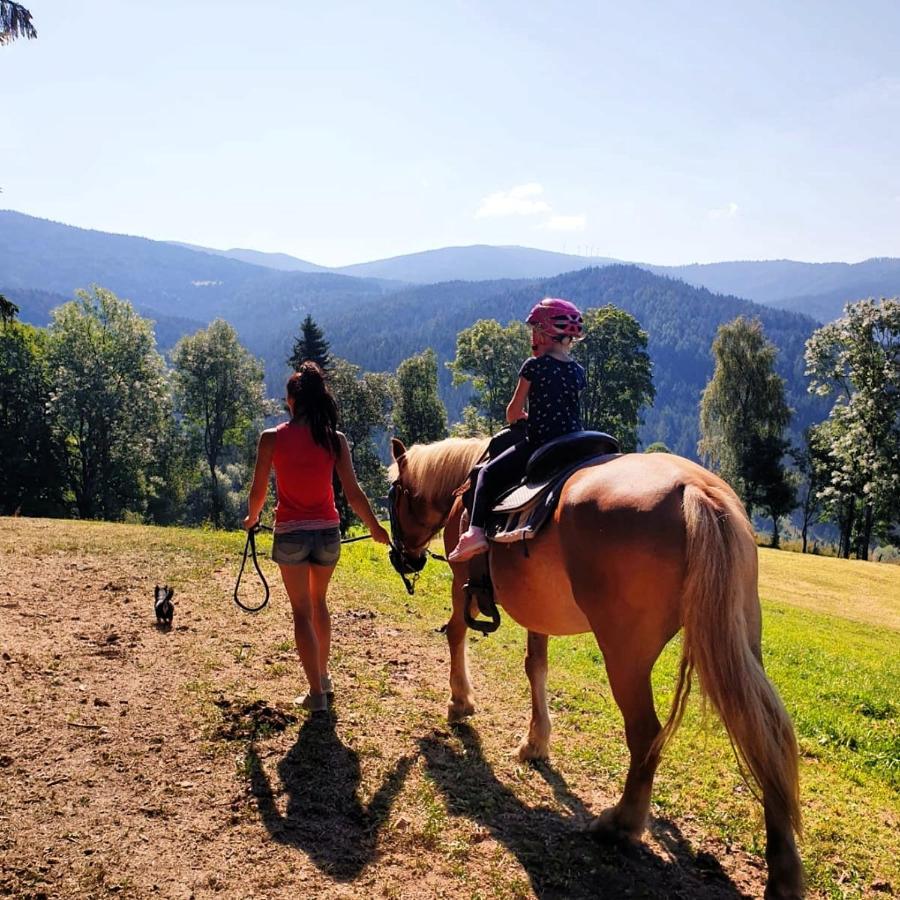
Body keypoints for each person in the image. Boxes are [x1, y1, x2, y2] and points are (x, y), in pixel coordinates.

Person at [243, 361, 390, 712]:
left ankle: (316, 695)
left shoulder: (272, 439)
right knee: (319, 604)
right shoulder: (333, 440)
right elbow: (354, 493)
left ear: (294, 401)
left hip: (291, 534)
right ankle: (322, 677)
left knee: (301, 613)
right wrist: (375, 527)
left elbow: (258, 491)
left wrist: (252, 518)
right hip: (327, 534)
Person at [448, 298, 587, 562]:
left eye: (534, 330)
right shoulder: (577, 371)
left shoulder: (533, 366)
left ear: (543, 334)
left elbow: (513, 412)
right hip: (574, 442)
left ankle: (475, 533)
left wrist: (524, 418)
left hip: (541, 443)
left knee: (486, 473)